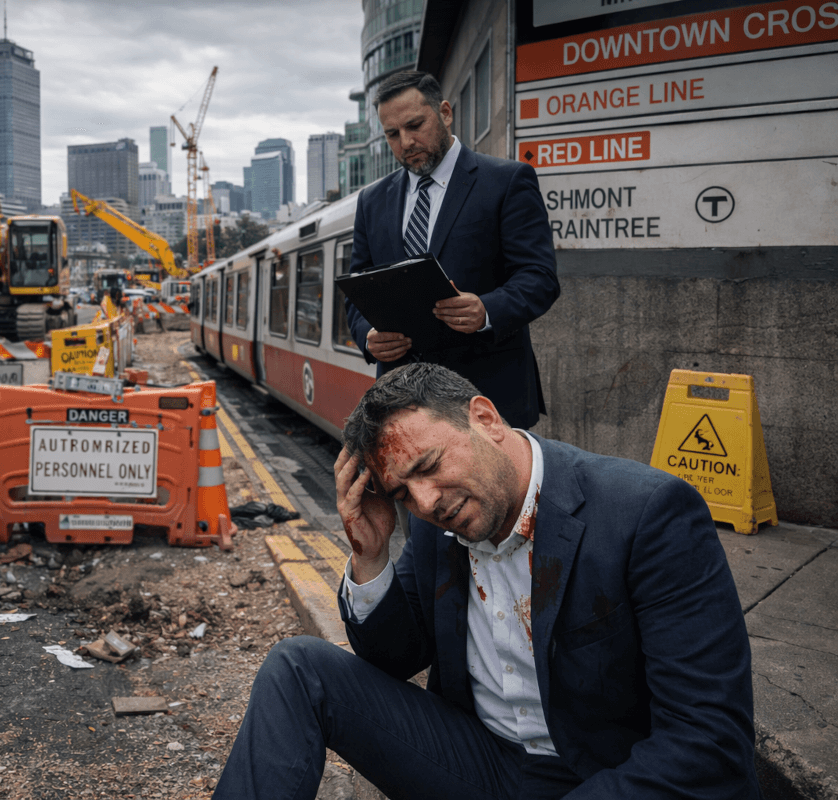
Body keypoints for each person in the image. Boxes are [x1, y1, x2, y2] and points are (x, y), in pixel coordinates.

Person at [213, 363, 760, 800]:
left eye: (428, 465)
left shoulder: (647, 514)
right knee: (298, 667)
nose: (425, 503)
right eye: (402, 493)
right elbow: (393, 659)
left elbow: (708, 741)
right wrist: (370, 554)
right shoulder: (440, 521)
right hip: (479, 759)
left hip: (603, 776)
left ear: (486, 419)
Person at [346, 70, 559, 431]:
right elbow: (357, 288)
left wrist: (487, 309)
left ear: (445, 113)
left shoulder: (507, 181)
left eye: (415, 125)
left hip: (489, 397)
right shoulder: (371, 200)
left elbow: (540, 278)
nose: (406, 142)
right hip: (401, 402)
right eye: (392, 134)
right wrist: (368, 336)